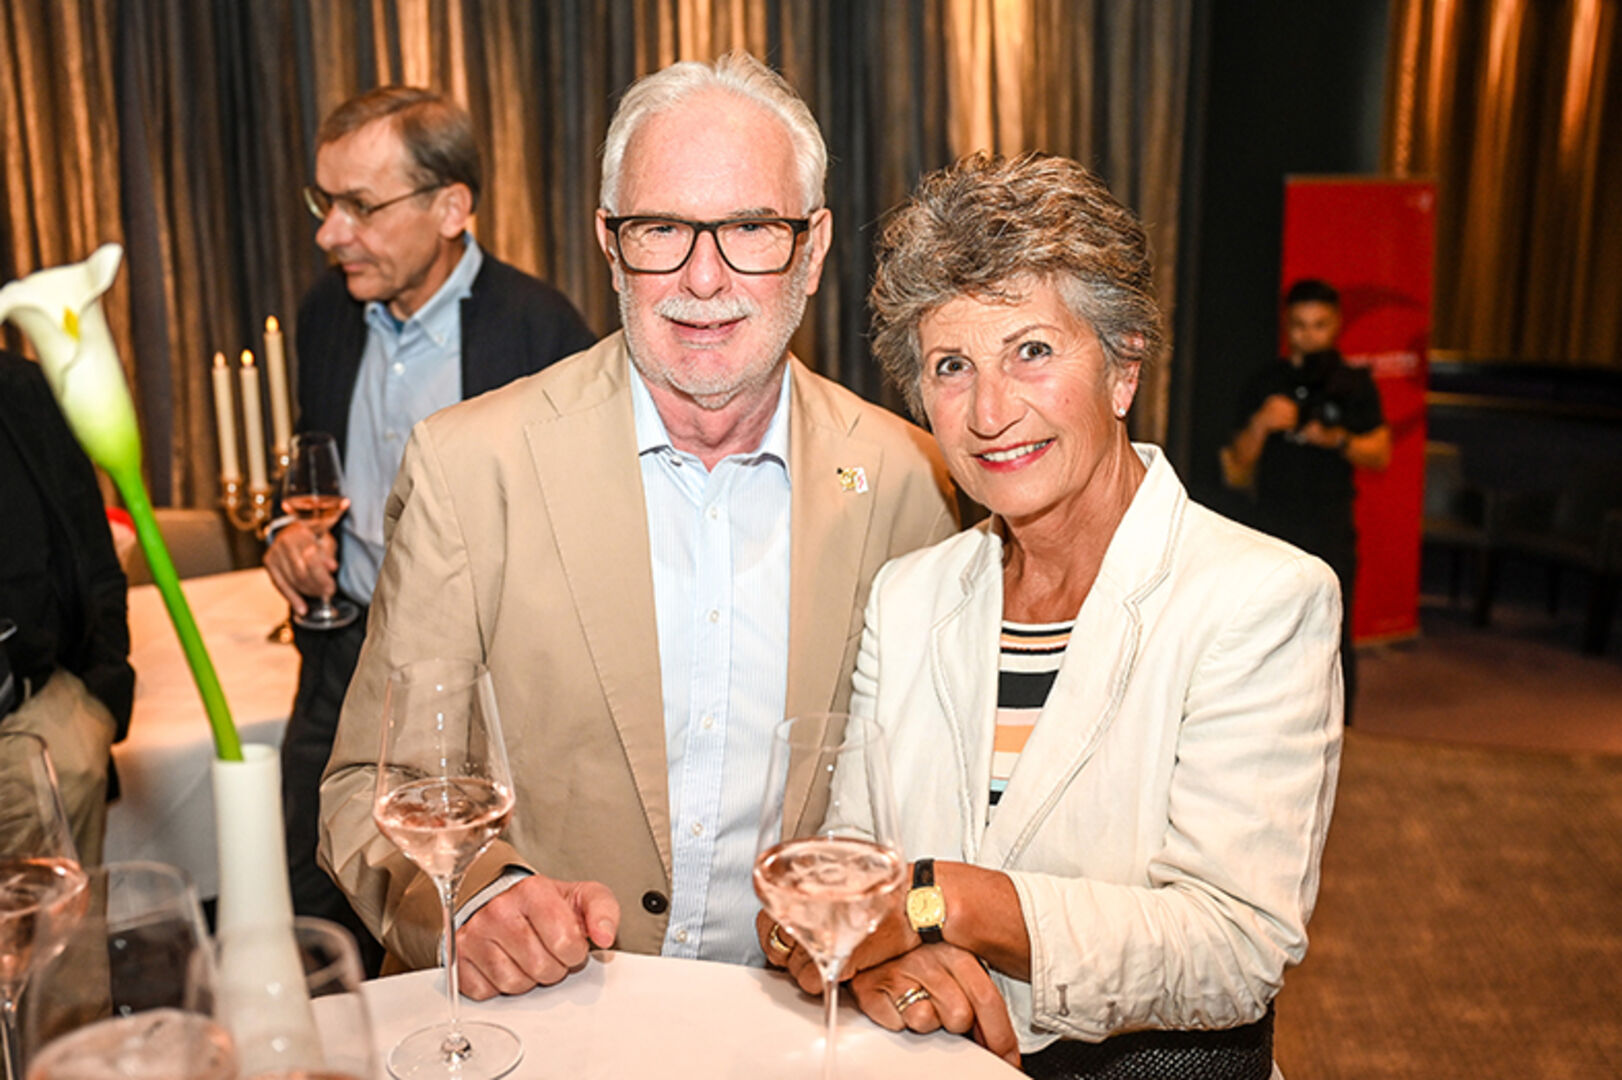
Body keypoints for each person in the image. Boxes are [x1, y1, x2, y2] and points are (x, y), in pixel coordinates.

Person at [318, 53, 956, 993]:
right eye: (662, 229)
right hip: (548, 1026)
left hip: (793, 1028)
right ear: (611, 244)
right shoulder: (470, 468)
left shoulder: (913, 481)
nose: (704, 278)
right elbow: (368, 792)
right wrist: (475, 898)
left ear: (813, 248)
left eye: (750, 227)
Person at [763, 153, 1343, 1078]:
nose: (991, 411)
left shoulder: (1261, 597)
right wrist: (883, 966)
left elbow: (1232, 944)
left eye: (1032, 350)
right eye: (953, 366)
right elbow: (842, 874)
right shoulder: (909, 597)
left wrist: (941, 902)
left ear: (1121, 371)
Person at [266, 86, 595, 968]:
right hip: (339, 659)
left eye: (360, 207)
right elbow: (309, 470)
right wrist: (282, 533)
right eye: (323, 203)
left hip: (469, 684)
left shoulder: (542, 332)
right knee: (309, 891)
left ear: (452, 207)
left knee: (458, 915)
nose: (331, 233)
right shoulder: (324, 315)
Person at [1221, 278, 1390, 723]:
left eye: (1318, 325)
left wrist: (1332, 438)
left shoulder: (1352, 384)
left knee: (1333, 635)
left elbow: (1380, 453)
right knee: (1264, 636)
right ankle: (1263, 725)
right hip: (1271, 527)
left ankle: (1343, 732)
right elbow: (1236, 468)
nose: (1308, 335)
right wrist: (1262, 423)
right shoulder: (1265, 382)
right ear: (1286, 325)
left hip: (1330, 523)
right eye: (1298, 325)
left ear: (1335, 325)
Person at [1, 349, 134, 865]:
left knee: (69, 943)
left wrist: (98, 699)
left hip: (37, 717)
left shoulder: (22, 388)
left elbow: (92, 555)